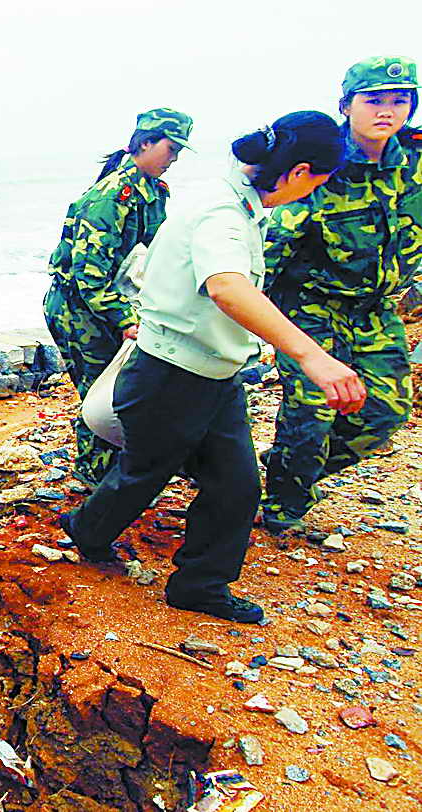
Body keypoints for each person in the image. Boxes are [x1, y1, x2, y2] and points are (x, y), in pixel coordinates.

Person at [58, 113, 366, 623]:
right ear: (299, 172)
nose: (315, 193)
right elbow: (226, 285)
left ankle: (199, 584)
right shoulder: (223, 212)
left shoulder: (234, 194)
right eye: (318, 181)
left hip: (210, 372)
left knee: (235, 483)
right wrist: (311, 355)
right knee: (144, 473)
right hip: (172, 374)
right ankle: (87, 531)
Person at [261, 56, 422, 534]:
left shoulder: (414, 159)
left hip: (376, 308)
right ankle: (280, 508)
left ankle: (288, 469)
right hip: (311, 306)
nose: (387, 111)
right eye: (374, 100)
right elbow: (272, 244)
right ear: (347, 104)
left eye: (400, 100)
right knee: (310, 412)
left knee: (387, 413)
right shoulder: (321, 159)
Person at [43, 108, 194, 486]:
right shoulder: (111, 197)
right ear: (145, 143)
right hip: (79, 310)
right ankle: (94, 479)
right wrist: (126, 320)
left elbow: (156, 251)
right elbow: (88, 276)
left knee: (129, 391)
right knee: (102, 393)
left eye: (178, 151)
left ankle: (121, 472)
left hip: (115, 302)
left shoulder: (154, 192)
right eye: (170, 148)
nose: (173, 159)